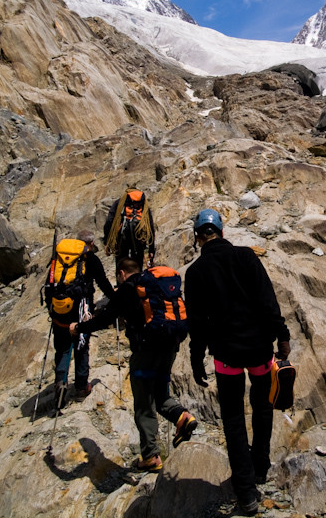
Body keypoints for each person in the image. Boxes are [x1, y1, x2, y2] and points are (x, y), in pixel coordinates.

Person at [184, 208, 291, 516]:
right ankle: (260, 466)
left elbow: (197, 323)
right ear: (222, 232)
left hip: (226, 356)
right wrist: (281, 335)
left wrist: (196, 357)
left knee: (232, 419)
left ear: (198, 237)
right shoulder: (246, 257)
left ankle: (246, 493)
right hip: (258, 349)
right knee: (263, 405)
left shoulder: (195, 272)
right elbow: (266, 299)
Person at [71, 257, 198, 472]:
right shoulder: (154, 286)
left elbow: (105, 319)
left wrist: (79, 328)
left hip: (145, 351)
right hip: (169, 347)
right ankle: (182, 416)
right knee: (160, 395)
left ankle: (150, 456)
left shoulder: (128, 289)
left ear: (121, 273)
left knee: (143, 404)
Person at [46, 230, 114, 409]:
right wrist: (115, 298)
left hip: (59, 310)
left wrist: (51, 310)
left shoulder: (59, 258)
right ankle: (81, 387)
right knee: (81, 345)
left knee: (62, 347)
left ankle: (60, 381)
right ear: (90, 244)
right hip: (81, 309)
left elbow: (49, 284)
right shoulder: (90, 258)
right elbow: (102, 282)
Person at [103, 188, 156, 271]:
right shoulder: (143, 206)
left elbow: (109, 223)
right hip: (138, 240)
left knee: (121, 263)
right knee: (137, 264)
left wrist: (107, 242)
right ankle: (137, 281)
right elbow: (150, 228)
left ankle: (121, 281)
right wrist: (151, 249)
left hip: (121, 240)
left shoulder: (119, 204)